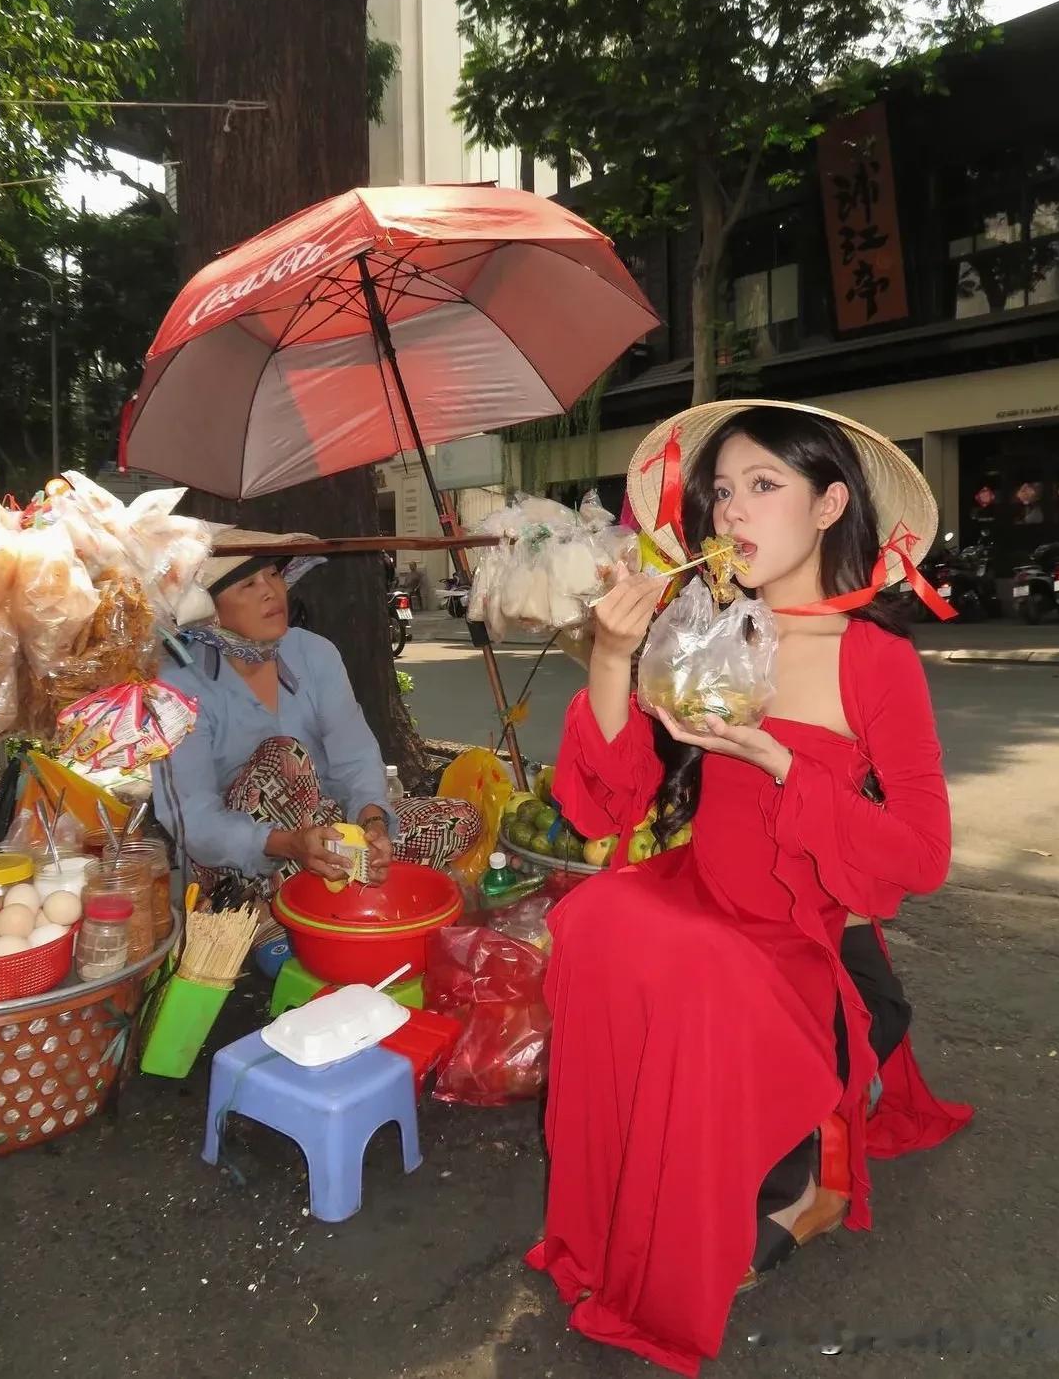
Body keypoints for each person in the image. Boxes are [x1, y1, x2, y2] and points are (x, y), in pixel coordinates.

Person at [526, 401, 973, 1377]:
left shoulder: (877, 659)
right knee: (594, 916)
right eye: (722, 488)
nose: (734, 508)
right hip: (703, 885)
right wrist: (611, 653)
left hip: (804, 929)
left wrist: (777, 758)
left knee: (687, 966)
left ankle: (799, 1168)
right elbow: (604, 808)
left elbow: (922, 853)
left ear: (829, 505)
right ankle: (625, 1215)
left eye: (765, 484)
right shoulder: (710, 629)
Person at [152, 530, 481, 905]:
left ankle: (332, 891)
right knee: (286, 757)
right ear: (210, 610)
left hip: (328, 833)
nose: (270, 592)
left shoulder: (314, 653)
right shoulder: (175, 684)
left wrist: (372, 823)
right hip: (241, 858)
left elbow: (354, 756)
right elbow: (191, 818)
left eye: (273, 575)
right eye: (248, 584)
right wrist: (290, 844)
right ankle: (281, 903)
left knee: (461, 817)